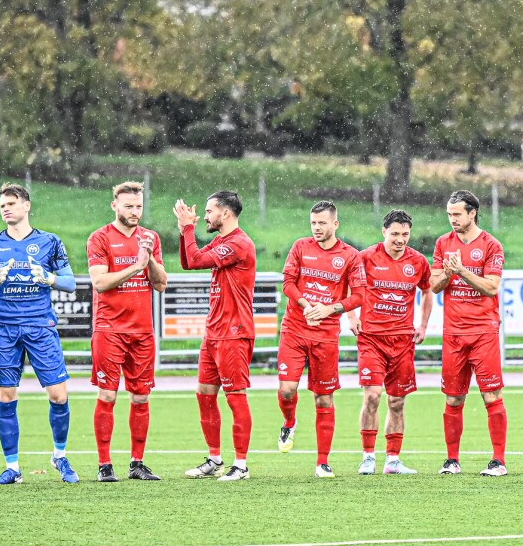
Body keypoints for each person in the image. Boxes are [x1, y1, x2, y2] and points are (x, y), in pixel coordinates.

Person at [0, 183, 78, 485]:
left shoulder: (49, 242)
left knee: (58, 395)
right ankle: (12, 468)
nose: (6, 208)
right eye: (2, 204)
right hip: (4, 328)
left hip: (40, 326)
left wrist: (50, 278)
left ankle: (59, 456)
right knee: (6, 396)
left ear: (27, 206)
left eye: (12, 203)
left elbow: (70, 283)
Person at [277, 201, 366, 477]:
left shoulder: (350, 256)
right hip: (294, 328)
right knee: (287, 389)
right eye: (313, 223)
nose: (316, 228)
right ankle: (289, 422)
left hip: (326, 336)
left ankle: (322, 462)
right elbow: (288, 284)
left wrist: (329, 309)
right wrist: (306, 306)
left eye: (322, 223)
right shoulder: (300, 247)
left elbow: (360, 296)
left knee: (323, 398)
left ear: (335, 224)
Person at [86, 182, 168, 482]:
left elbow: (160, 284)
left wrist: (151, 261)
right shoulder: (99, 238)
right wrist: (135, 267)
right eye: (129, 206)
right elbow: (100, 282)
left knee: (141, 398)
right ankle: (104, 465)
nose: (135, 211)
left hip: (142, 331)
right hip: (110, 329)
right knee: (108, 394)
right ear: (114, 206)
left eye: (139, 206)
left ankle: (136, 463)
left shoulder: (150, 238)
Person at [175, 191, 257, 482]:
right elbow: (188, 262)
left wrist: (187, 228)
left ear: (225, 213)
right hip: (214, 332)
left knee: (235, 397)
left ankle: (242, 464)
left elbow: (196, 260)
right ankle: (214, 458)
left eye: (209, 211)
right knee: (205, 394)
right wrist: (184, 230)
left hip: (234, 332)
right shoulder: (221, 241)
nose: (205, 216)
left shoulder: (238, 243)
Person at [429, 190, 507, 476]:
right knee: (453, 397)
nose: (452, 220)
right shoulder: (442, 243)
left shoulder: (490, 245)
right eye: (449, 215)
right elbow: (435, 286)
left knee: (491, 395)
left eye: (457, 214)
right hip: (453, 333)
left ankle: (498, 460)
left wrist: (461, 271)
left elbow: (491, 287)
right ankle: (451, 460)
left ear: (472, 212)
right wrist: (448, 274)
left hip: (483, 331)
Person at [355, 210, 433, 475]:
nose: (400, 239)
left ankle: (393, 460)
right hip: (371, 339)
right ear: (384, 232)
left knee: (397, 402)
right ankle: (367, 456)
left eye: (405, 234)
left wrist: (422, 324)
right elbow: (348, 287)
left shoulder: (419, 262)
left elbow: (427, 291)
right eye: (395, 234)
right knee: (373, 396)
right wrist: (351, 316)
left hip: (402, 341)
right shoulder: (365, 258)